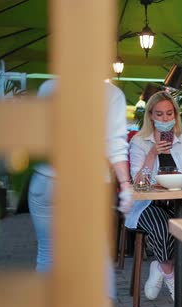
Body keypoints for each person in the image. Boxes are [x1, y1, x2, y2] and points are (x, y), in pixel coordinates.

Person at [28, 80, 133, 294]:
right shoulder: (111, 93)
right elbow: (116, 145)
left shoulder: (49, 86)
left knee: (47, 254)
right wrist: (125, 184)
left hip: (44, 181)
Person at [124, 90, 182, 301]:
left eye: (169, 113)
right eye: (159, 114)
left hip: (179, 202)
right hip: (148, 204)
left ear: (175, 115)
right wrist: (152, 153)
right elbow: (138, 183)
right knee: (161, 225)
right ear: (151, 117)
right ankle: (170, 273)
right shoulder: (139, 142)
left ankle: (160, 266)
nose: (165, 119)